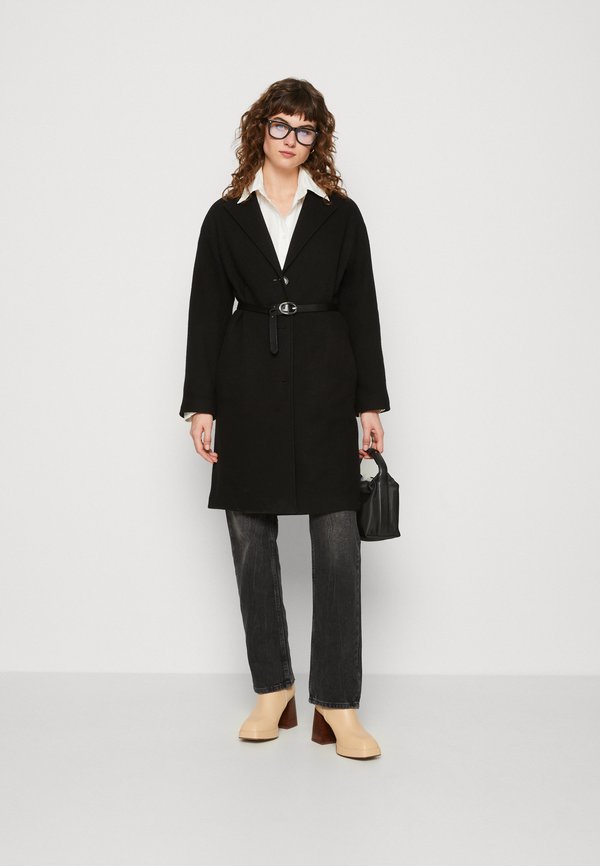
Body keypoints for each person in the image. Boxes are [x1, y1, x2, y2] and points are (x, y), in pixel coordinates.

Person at [179, 78, 391, 760]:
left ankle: (338, 702)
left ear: (316, 138)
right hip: (247, 384)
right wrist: (201, 403)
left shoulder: (341, 215)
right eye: (281, 125)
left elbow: (362, 308)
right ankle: (274, 689)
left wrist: (369, 403)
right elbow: (206, 312)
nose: (291, 139)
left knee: (337, 539)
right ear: (260, 130)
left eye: (305, 129)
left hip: (328, 383)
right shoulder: (225, 218)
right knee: (250, 534)